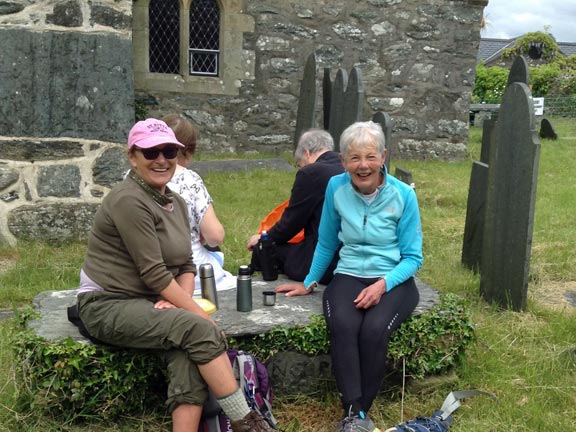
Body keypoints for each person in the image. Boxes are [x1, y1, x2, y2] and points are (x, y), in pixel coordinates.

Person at [74, 118, 275, 432]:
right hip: (107, 304)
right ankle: (246, 423)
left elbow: (185, 266)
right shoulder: (129, 200)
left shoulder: (175, 202)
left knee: (188, 352)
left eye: (169, 151)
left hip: (148, 300)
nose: (161, 160)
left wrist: (181, 304)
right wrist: (197, 314)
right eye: (151, 152)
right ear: (133, 156)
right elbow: (154, 273)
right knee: (198, 329)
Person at [276, 121, 423, 432]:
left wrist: (383, 285)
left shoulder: (403, 196)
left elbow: (413, 258)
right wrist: (309, 282)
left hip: (393, 279)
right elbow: (327, 240)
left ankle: (358, 415)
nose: (363, 165)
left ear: (383, 156)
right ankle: (355, 415)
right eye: (354, 158)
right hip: (348, 274)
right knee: (343, 325)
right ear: (342, 161)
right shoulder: (335, 187)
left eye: (370, 156)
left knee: (372, 331)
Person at [247, 129, 344, 284]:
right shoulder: (346, 165)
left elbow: (290, 224)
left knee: (264, 250)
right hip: (352, 253)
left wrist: (263, 238)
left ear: (306, 153)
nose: (301, 168)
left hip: (326, 260)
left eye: (300, 165)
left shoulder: (311, 173)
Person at [163, 114, 236, 293]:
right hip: (183, 271)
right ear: (188, 151)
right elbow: (215, 235)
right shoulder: (189, 178)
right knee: (216, 255)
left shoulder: (131, 177)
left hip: (143, 268)